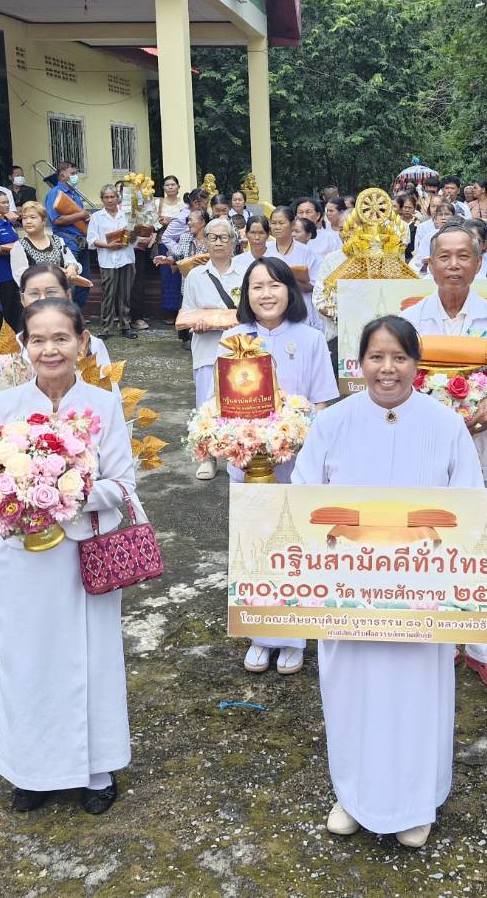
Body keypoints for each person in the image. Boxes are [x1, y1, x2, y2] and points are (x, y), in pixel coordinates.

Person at [294, 316, 481, 848]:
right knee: (351, 693)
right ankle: (353, 796)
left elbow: (467, 505)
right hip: (348, 595)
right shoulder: (333, 422)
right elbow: (306, 498)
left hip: (421, 595)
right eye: (376, 357)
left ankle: (415, 802)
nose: (387, 369)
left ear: (416, 364)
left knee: (415, 696)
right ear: (359, 364)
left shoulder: (444, 423)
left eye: (399, 357)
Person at [0, 298, 138, 816]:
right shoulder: (3, 406)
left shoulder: (103, 404)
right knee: (27, 661)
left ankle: (97, 769)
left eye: (61, 338)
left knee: (91, 658)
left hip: (83, 558)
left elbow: (123, 485)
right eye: (38, 339)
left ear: (82, 342)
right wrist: (16, 493)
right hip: (21, 560)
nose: (50, 349)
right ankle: (33, 769)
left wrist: (67, 489)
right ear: (24, 345)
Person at [402, 225, 487, 693]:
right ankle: (440, 637)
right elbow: (399, 373)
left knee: (484, 543)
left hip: (485, 440)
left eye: (463, 256)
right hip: (426, 446)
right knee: (431, 538)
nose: (453, 265)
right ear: (429, 264)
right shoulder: (410, 318)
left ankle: (486, 650)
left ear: (478, 262)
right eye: (444, 257)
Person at [223, 258, 337, 675]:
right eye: (256, 287)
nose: (265, 294)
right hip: (247, 460)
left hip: (298, 461)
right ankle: (259, 634)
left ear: (289, 290)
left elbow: (323, 401)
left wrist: (302, 440)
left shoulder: (309, 338)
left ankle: (293, 637)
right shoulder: (234, 338)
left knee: (295, 547)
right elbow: (221, 403)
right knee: (253, 545)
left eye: (273, 285)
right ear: (246, 295)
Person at [180, 217, 247, 480]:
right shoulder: (196, 275)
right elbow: (186, 312)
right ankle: (207, 457)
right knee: (206, 405)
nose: (218, 242)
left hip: (240, 348)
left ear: (233, 242)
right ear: (205, 241)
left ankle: (241, 454)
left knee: (241, 403)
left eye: (224, 237)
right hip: (207, 348)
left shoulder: (246, 271)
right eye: (213, 237)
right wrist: (199, 322)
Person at [17, 264, 111, 366]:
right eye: (34, 293)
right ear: (22, 299)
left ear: (68, 295)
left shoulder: (92, 345)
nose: (43, 299)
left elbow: (105, 381)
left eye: (51, 292)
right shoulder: (11, 349)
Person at [87, 185, 135, 340]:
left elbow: (134, 236)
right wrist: (108, 245)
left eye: (112, 197)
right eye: (106, 197)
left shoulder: (126, 214)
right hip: (107, 259)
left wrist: (131, 238)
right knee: (109, 294)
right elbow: (91, 240)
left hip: (126, 258)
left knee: (125, 294)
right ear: (102, 199)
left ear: (117, 198)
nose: (109, 200)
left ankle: (125, 326)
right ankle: (105, 328)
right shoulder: (97, 217)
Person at [44, 160, 91, 305]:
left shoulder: (74, 194)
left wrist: (86, 218)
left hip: (81, 240)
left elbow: (80, 217)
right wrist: (81, 215)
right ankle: (67, 315)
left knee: (84, 280)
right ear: (62, 175)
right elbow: (56, 220)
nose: (76, 176)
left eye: (76, 173)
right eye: (73, 173)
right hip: (66, 241)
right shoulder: (55, 193)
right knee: (69, 280)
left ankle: (77, 315)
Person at [10, 201, 83, 286]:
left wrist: (72, 267)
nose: (28, 221)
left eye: (33, 217)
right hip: (37, 295)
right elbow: (21, 278)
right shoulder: (20, 246)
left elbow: (73, 262)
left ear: (44, 220)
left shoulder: (57, 240)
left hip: (60, 293)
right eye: (24, 218)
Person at [155, 175, 187, 326]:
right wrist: (161, 222)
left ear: (178, 187)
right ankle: (169, 312)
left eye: (173, 185)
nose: (170, 187)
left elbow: (187, 222)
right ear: (163, 188)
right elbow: (152, 222)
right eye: (167, 185)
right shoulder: (158, 203)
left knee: (181, 276)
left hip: (182, 243)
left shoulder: (184, 204)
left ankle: (182, 310)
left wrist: (172, 222)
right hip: (165, 243)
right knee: (167, 277)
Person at [0, 191, 22, 333]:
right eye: (2, 202)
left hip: (14, 270)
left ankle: (14, 340)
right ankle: (1, 341)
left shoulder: (8, 222)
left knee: (16, 308)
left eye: (8, 202)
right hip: (0, 272)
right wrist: (12, 249)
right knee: (3, 309)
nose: (7, 205)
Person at [411, 199, 456, 276]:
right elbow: (419, 259)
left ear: (454, 217)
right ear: (435, 219)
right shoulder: (428, 237)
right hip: (430, 274)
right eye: (440, 215)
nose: (443, 217)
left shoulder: (460, 236)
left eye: (447, 214)